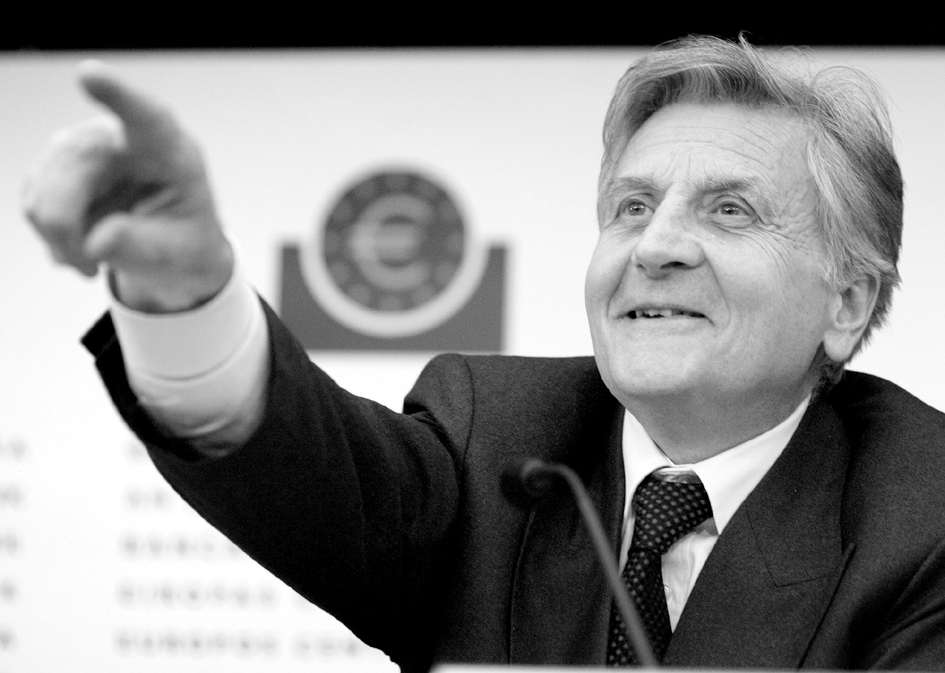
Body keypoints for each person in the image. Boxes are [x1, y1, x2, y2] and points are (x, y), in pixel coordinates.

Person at [23, 36, 945, 671]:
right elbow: (301, 465)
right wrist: (185, 288)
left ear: (847, 302)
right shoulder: (496, 434)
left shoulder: (921, 515)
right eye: (630, 207)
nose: (654, 245)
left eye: (729, 210)